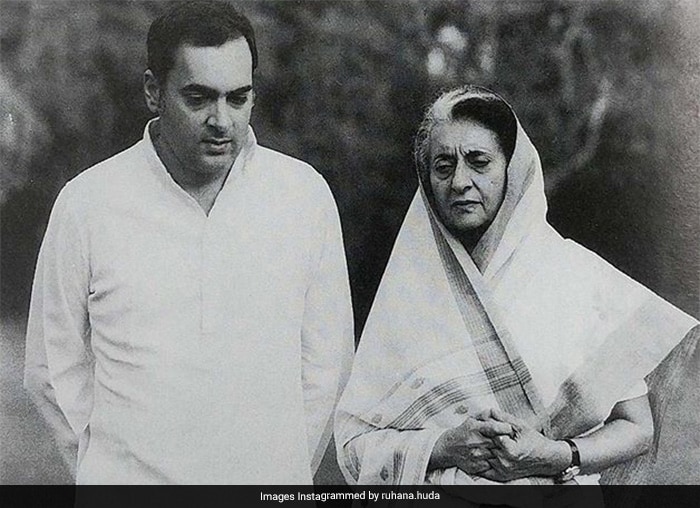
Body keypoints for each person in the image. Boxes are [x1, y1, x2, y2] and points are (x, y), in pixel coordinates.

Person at [24, 1, 353, 485]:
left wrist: (274, 474)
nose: (221, 121)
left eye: (238, 98)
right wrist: (108, 472)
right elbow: (51, 368)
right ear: (154, 91)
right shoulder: (87, 203)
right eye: (198, 98)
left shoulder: (303, 197)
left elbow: (327, 365)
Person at [334, 85, 698, 495]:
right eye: (443, 166)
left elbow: (637, 427)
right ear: (427, 180)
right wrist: (443, 446)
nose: (459, 182)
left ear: (513, 168)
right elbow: (353, 445)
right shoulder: (409, 296)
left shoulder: (575, 276)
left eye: (478, 162)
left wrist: (556, 454)